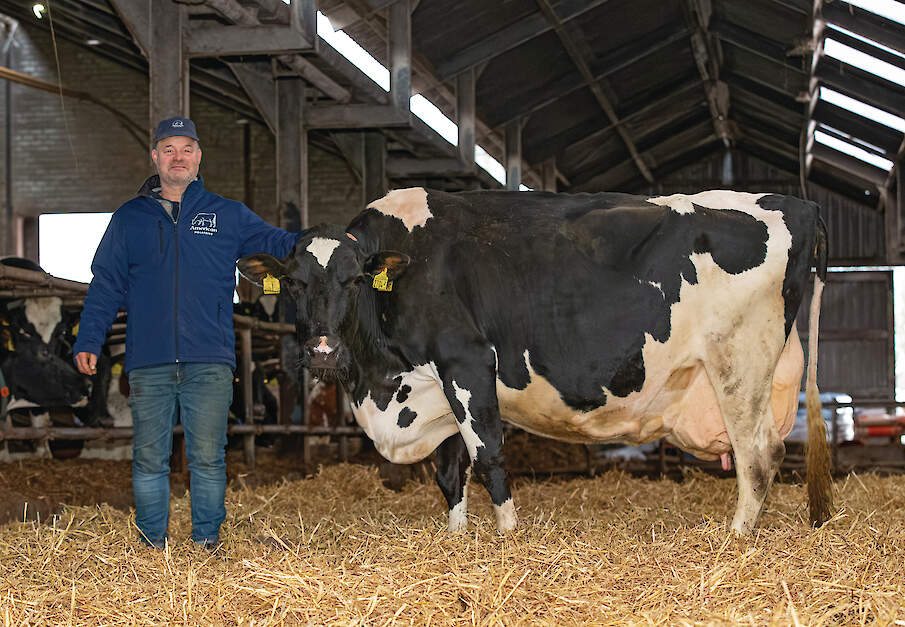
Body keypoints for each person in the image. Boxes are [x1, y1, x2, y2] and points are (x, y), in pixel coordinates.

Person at [74, 116, 299, 549]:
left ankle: (206, 544)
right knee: (149, 460)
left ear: (199, 157)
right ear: (155, 156)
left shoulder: (227, 214)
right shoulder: (129, 218)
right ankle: (151, 545)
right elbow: (106, 283)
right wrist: (88, 339)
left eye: (187, 149)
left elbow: (278, 242)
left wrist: (331, 239)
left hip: (210, 359)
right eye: (169, 149)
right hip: (149, 360)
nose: (179, 157)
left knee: (209, 460)